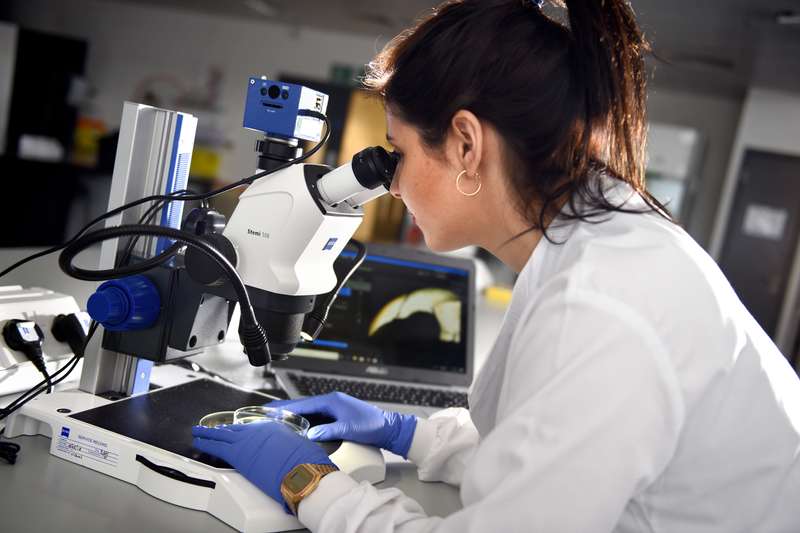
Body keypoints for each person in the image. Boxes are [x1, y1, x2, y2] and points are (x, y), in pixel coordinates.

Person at [191, 0, 800, 531]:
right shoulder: (599, 243)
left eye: (397, 153)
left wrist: (308, 483)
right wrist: (408, 432)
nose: (392, 184)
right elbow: (551, 459)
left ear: (465, 144)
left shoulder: (602, 305)